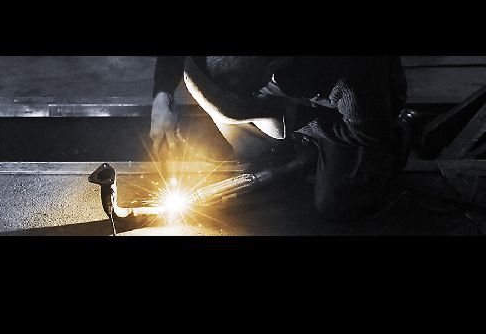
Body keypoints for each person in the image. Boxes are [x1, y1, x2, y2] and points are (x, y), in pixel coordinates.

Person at [150, 56, 411, 221]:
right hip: (288, 80)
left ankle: (406, 127)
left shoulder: (350, 73)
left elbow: (369, 133)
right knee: (234, 118)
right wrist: (162, 98)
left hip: (357, 111)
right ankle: (297, 153)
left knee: (336, 204)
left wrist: (301, 123)